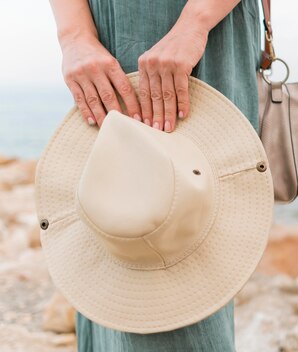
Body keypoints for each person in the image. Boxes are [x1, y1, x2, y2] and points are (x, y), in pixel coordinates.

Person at [48, 0, 262, 350]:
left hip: (200, 22)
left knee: (181, 284)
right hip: (103, 33)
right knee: (118, 248)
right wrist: (74, 36)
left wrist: (195, 23)